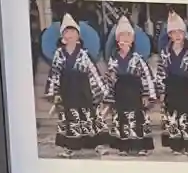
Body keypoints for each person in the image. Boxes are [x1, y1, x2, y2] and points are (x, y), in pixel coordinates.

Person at [44, 13, 107, 155]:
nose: (70, 35)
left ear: (78, 35)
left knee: (89, 116)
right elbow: (54, 73)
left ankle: (96, 146)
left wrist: (101, 92)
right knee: (69, 118)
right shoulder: (59, 54)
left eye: (73, 32)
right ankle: (70, 148)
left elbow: (93, 72)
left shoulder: (84, 54)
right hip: (67, 90)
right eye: (67, 32)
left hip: (83, 90)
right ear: (62, 36)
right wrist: (54, 92)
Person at [105, 14, 155, 155]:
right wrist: (109, 95)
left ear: (132, 39)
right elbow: (110, 79)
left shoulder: (138, 59)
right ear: (117, 39)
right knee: (121, 119)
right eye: (122, 36)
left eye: (128, 35)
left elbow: (147, 77)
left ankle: (140, 147)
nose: (125, 39)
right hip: (120, 93)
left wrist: (147, 95)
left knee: (137, 119)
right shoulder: (113, 59)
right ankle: (124, 147)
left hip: (135, 92)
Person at [158, 11, 188, 155]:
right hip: (171, 88)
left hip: (186, 88)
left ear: (185, 34)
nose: (177, 35)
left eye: (180, 32)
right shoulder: (165, 53)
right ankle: (176, 146)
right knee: (173, 118)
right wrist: (161, 91)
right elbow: (161, 72)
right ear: (169, 35)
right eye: (174, 32)